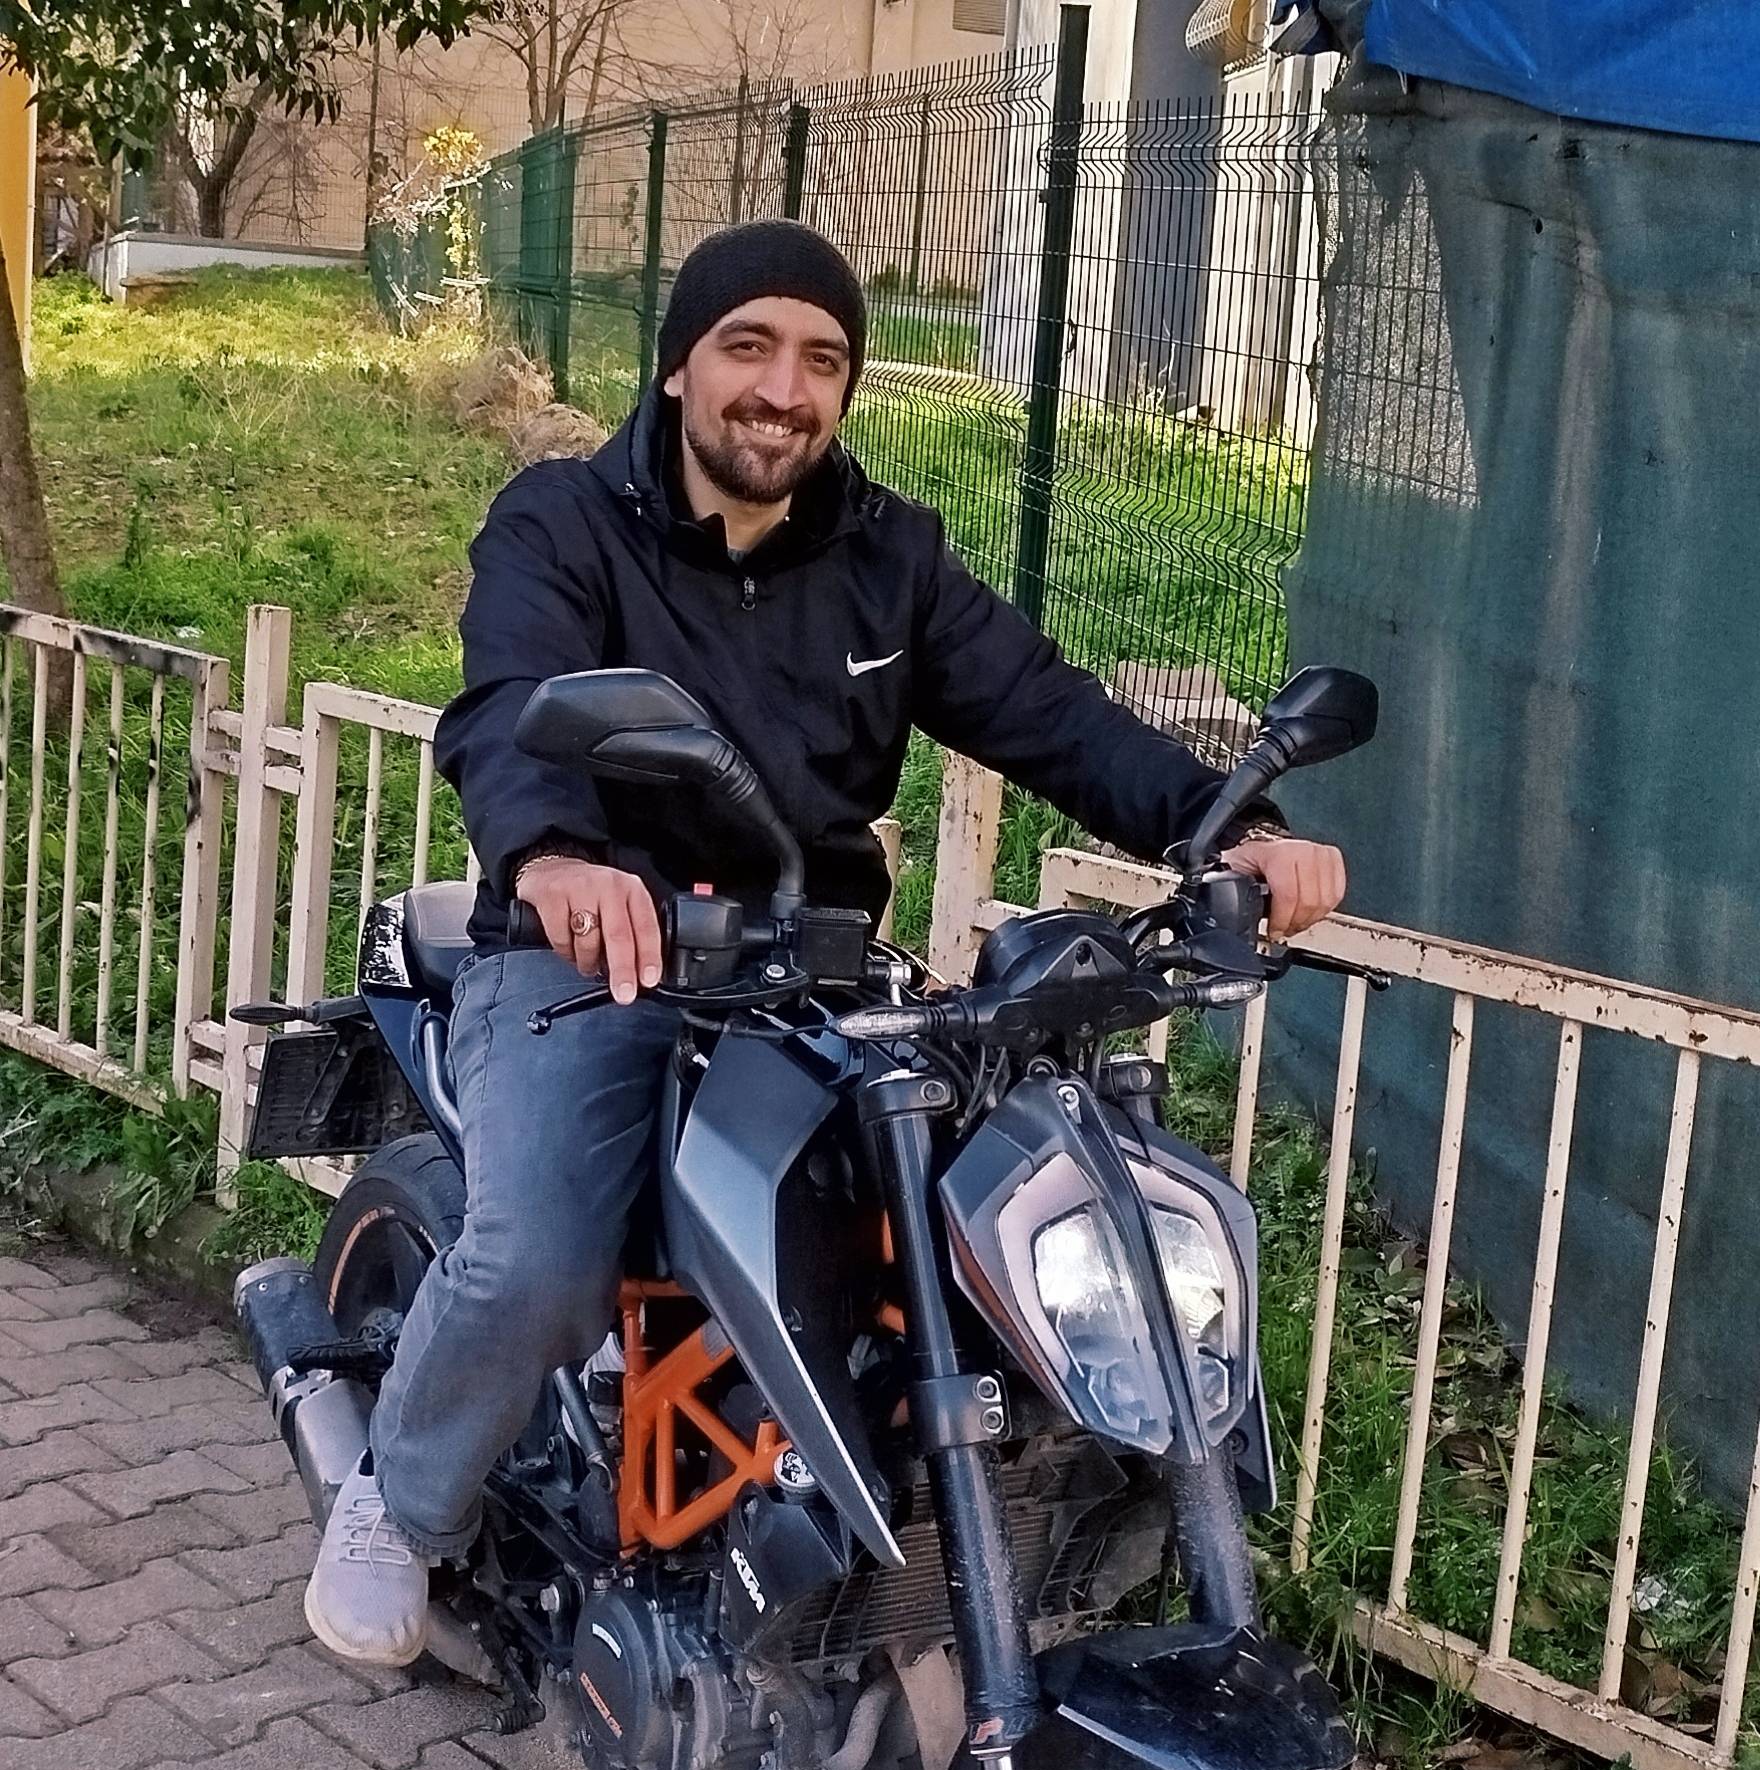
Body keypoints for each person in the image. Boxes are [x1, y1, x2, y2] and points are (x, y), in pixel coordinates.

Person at [304, 220, 1347, 1665]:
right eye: (748, 347)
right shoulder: (562, 522)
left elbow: (1050, 711)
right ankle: (399, 1499)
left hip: (813, 968)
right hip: (593, 956)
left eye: (823, 359)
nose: (783, 390)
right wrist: (555, 857)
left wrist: (1225, 828)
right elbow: (505, 707)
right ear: (679, 366)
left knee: (980, 1223)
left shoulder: (887, 556)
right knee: (542, 1254)